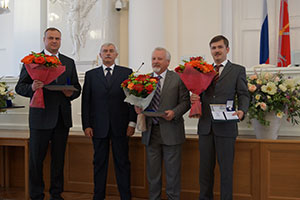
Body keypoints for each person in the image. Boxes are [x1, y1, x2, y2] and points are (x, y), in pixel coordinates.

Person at [15, 27, 81, 200]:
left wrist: (71, 93)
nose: (54, 41)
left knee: (58, 161)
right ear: (44, 39)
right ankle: (36, 195)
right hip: (40, 118)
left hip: (61, 118)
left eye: (57, 38)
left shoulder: (69, 62)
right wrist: (32, 87)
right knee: (36, 160)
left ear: (60, 41)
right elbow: (19, 87)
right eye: (51, 38)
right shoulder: (32, 61)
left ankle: (56, 194)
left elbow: (77, 88)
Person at [191, 35, 250, 200]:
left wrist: (242, 111)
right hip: (205, 127)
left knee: (226, 171)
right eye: (213, 48)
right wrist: (194, 98)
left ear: (227, 50)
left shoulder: (238, 70)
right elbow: (199, 93)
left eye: (219, 47)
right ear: (210, 51)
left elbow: (244, 95)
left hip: (227, 127)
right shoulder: (203, 71)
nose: (216, 51)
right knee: (205, 171)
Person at [81, 43, 137, 200]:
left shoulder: (127, 73)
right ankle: (98, 197)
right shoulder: (91, 75)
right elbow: (86, 102)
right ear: (100, 55)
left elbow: (132, 100)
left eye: (111, 51)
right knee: (99, 164)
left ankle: (126, 197)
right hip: (98, 127)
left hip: (121, 127)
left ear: (116, 55)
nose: (108, 53)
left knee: (123, 163)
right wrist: (86, 125)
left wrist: (132, 123)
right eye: (105, 51)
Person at [135, 47, 190, 200]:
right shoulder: (143, 80)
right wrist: (137, 106)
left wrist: (174, 112)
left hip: (171, 132)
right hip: (151, 133)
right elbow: (139, 101)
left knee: (172, 174)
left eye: (159, 59)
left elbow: (186, 102)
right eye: (153, 58)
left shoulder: (178, 78)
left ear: (168, 61)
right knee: (153, 174)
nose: (155, 62)